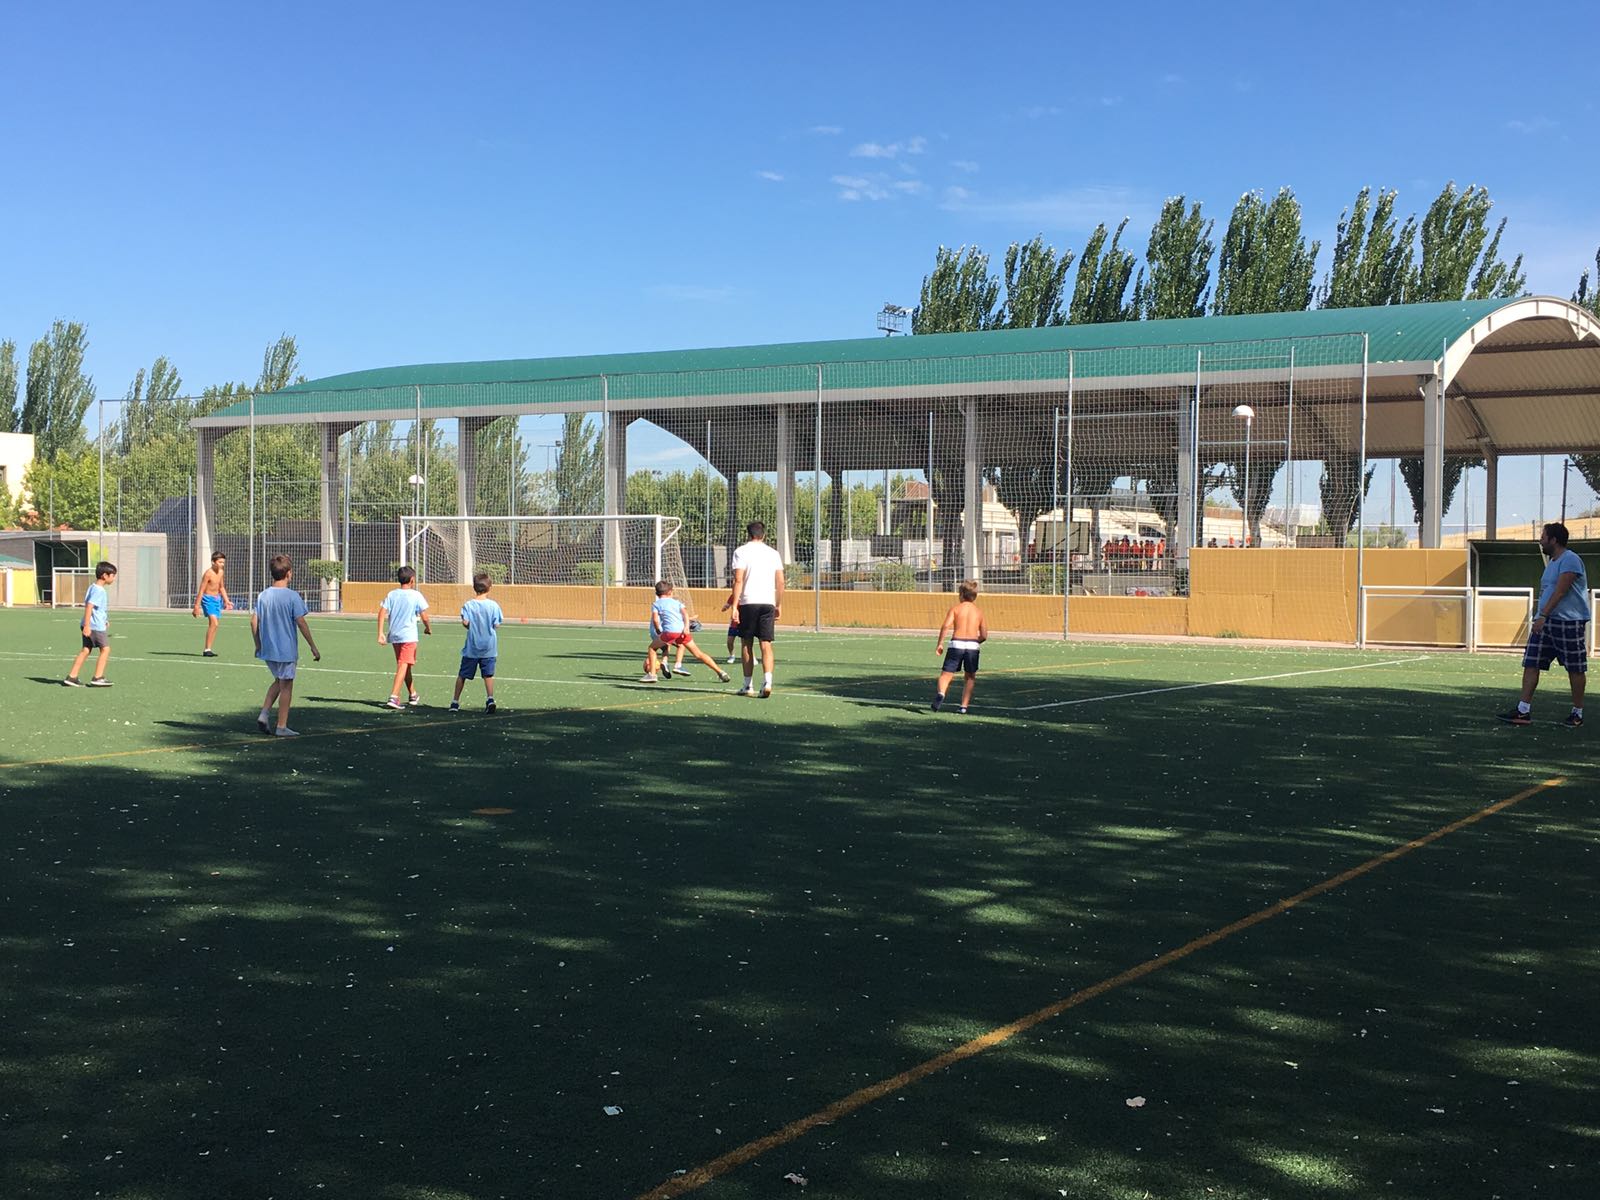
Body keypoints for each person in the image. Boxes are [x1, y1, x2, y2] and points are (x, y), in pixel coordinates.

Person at [1498, 522, 1589, 728]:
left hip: (1568, 622)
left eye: (1543, 537)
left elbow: (1561, 591)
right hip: (1545, 622)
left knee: (1575, 668)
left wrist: (1543, 615)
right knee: (1531, 663)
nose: (1540, 540)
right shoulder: (1552, 563)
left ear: (1553, 540)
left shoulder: (1570, 559)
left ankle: (1577, 713)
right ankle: (1523, 711)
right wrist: (1541, 617)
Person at [251, 554, 321, 736]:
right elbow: (301, 622)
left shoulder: (263, 595)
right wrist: (313, 646)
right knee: (287, 686)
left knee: (279, 680)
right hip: (285, 650)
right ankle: (281, 726)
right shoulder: (292, 596)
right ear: (289, 573)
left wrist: (258, 644)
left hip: (269, 649)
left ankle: (264, 714)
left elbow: (253, 621)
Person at [726, 520, 784, 697]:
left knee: (746, 643)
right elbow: (780, 582)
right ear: (763, 535)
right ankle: (768, 681)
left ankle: (747, 685)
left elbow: (738, 580)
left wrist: (734, 606)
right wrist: (778, 604)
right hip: (767, 603)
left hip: (748, 602)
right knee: (766, 644)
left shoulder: (741, 551)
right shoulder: (773, 553)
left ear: (748, 534)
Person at [642, 581, 731, 683]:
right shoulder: (677, 603)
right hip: (682, 632)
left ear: (656, 593)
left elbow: (655, 620)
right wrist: (686, 627)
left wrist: (658, 631)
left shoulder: (656, 604)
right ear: (670, 592)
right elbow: (685, 614)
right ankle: (720, 672)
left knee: (652, 648)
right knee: (698, 653)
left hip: (669, 632)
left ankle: (652, 675)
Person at [379, 566, 431, 709]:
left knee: (404, 665)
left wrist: (380, 633)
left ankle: (413, 694)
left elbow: (382, 612)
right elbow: (425, 616)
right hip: (408, 636)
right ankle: (394, 697)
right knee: (403, 664)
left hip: (395, 635)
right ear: (412, 580)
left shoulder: (392, 594)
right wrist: (428, 628)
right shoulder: (416, 595)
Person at [932, 579, 988, 714]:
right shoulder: (979, 612)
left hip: (956, 643)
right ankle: (963, 706)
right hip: (972, 646)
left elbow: (946, 626)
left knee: (946, 674)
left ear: (961, 594)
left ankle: (941, 693)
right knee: (970, 676)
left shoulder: (955, 609)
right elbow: (984, 635)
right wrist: (975, 641)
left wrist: (940, 643)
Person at [451, 572, 503, 714]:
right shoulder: (493, 606)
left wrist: (471, 626)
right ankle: (490, 698)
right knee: (488, 675)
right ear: (489, 588)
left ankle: (455, 701)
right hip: (489, 647)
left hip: (472, 647)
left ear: (474, 587)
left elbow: (465, 622)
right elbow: (497, 624)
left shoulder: (468, 605)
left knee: (462, 675)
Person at [63, 561, 117, 687]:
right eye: (113, 575)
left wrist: (104, 620)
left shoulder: (93, 587)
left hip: (93, 624)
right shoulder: (99, 590)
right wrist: (87, 626)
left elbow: (98, 609)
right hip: (94, 626)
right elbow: (89, 606)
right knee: (105, 649)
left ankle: (72, 676)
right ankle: (98, 677)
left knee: (86, 650)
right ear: (105, 575)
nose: (114, 578)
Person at [192, 551, 233, 656]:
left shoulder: (221, 572)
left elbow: (221, 587)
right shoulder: (208, 574)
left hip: (217, 599)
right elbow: (201, 590)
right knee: (214, 623)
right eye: (220, 562)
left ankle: (208, 649)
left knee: (214, 625)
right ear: (213, 562)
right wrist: (196, 606)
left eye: (223, 562)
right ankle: (207, 650)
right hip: (207, 599)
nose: (222, 564)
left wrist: (226, 600)